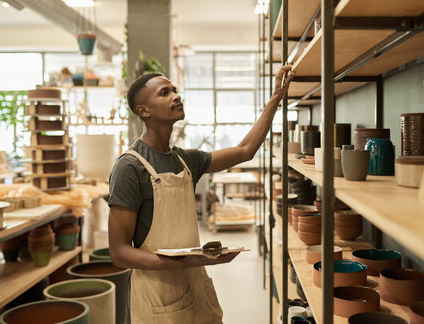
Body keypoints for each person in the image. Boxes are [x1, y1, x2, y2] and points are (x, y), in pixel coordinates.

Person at [107, 65, 294, 324]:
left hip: (194, 284)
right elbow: (119, 253)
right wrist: (188, 260)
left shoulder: (186, 161)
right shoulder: (130, 167)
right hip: (157, 294)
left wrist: (276, 98)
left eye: (175, 90)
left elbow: (245, 150)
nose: (175, 96)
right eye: (164, 93)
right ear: (144, 111)